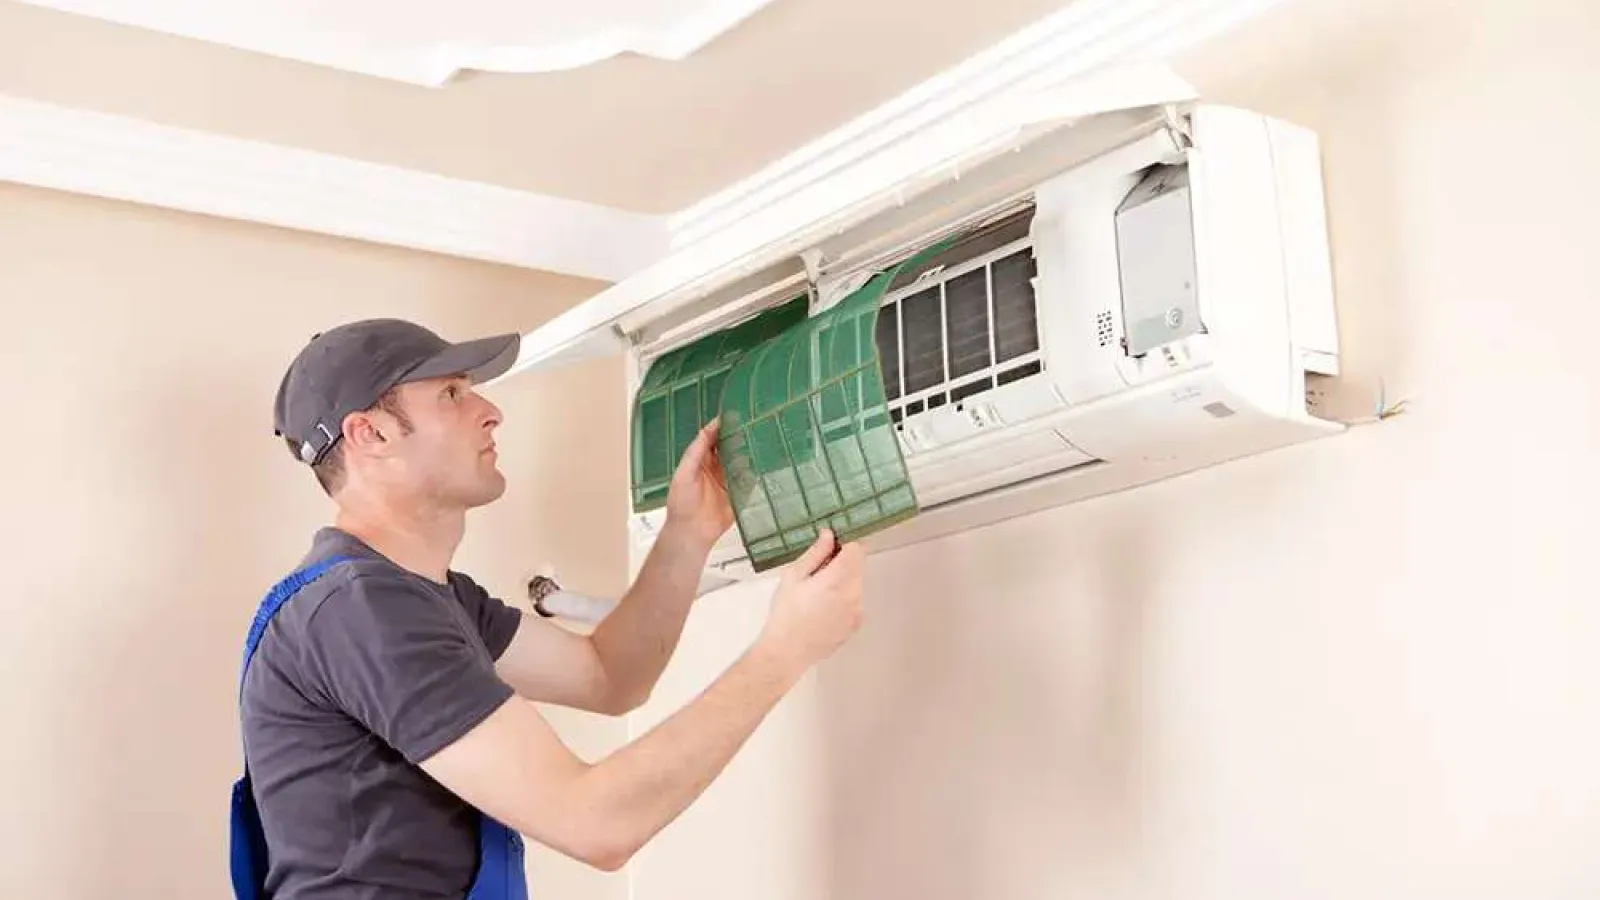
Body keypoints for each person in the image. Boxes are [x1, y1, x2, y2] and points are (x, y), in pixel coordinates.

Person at [239, 318, 865, 899]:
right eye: (453, 395)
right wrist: (784, 652)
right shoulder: (360, 609)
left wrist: (687, 532)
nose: (490, 411)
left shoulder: (432, 599)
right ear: (368, 434)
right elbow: (596, 823)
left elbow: (610, 674)